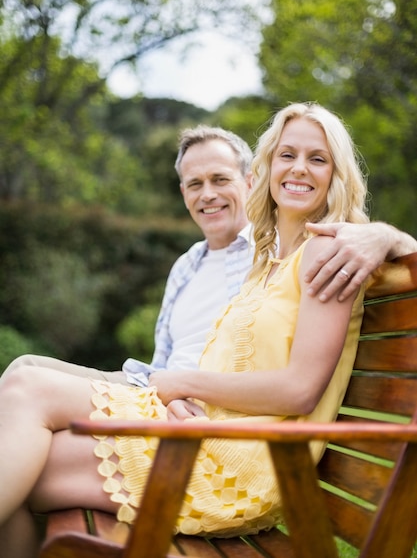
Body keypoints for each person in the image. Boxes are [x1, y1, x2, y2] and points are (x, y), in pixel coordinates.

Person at [0, 102, 402, 557]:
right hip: (207, 434)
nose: (300, 169)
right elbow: (236, 364)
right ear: (267, 167)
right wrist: (186, 398)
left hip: (240, 464)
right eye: (287, 154)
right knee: (20, 420)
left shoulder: (326, 253)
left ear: (335, 173)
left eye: (318, 158)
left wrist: (389, 236)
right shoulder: (267, 264)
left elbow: (299, 391)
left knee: (25, 396)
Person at [2, 124, 416, 386]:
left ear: (252, 179)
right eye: (194, 183)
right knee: (24, 368)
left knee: (29, 400)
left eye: (220, 179)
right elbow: (161, 362)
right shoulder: (186, 265)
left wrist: (386, 235)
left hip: (200, 409)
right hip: (156, 387)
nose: (208, 194)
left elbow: (281, 370)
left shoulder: (275, 251)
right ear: (183, 193)